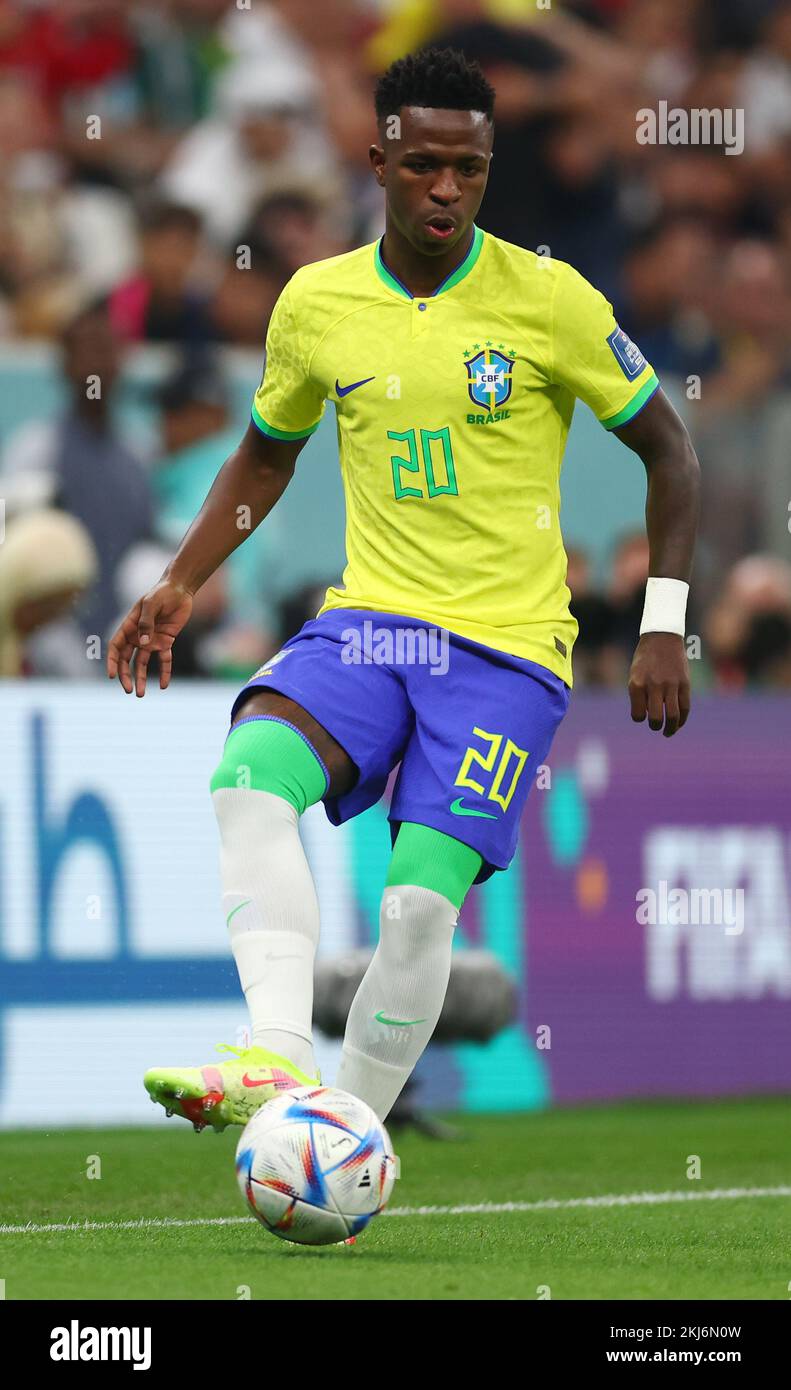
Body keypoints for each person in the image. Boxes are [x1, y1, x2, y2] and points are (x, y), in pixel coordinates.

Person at [107, 47, 700, 1131]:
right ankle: (276, 1060)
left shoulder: (546, 298)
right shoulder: (319, 303)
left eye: (467, 169)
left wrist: (663, 622)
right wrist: (182, 580)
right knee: (246, 779)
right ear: (376, 160)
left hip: (507, 652)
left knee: (418, 908)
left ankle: (343, 1137)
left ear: (486, 167)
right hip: (371, 626)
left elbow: (670, 450)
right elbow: (267, 454)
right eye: (422, 165)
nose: (445, 189)